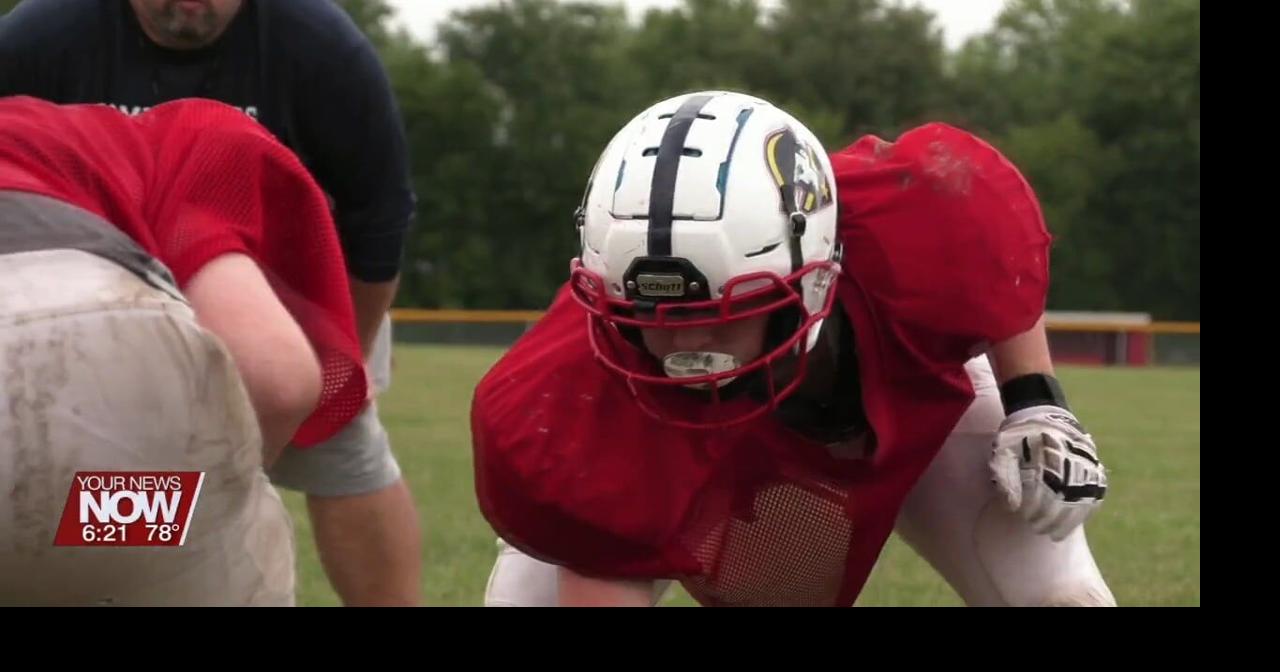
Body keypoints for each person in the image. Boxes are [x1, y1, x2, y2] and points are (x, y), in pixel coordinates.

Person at [473, 91, 1116, 607]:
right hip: (649, 431)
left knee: (1058, 595)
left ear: (812, 276)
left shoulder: (921, 218)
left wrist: (1035, 400)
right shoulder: (580, 391)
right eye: (650, 313)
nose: (684, 349)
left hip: (905, 393)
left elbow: (994, 272)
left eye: (724, 313)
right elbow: (602, 575)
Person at [0, 0, 422, 605]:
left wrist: (346, 354)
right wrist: (197, 495)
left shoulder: (319, 46)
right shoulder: (47, 42)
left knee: (342, 446)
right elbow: (279, 382)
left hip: (275, 293)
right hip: (123, 298)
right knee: (176, 518)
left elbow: (379, 217)